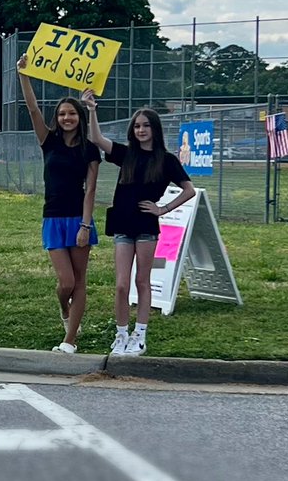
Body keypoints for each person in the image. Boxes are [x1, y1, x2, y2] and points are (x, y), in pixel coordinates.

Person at [82, 90, 195, 356]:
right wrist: (91, 110)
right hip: (123, 225)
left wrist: (163, 208)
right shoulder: (126, 154)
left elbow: (188, 190)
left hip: (146, 228)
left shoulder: (166, 160)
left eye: (146, 126)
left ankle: (140, 335)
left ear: (155, 129)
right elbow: (96, 138)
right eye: (137, 126)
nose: (141, 130)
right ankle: (121, 333)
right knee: (122, 283)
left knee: (142, 281)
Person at [17, 54, 100, 353]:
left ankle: (70, 339)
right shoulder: (48, 140)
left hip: (79, 219)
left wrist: (85, 225)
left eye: (72, 114)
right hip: (52, 218)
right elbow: (32, 108)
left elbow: (90, 189)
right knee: (65, 282)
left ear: (79, 117)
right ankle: (63, 308)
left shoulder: (90, 149)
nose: (67, 118)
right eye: (63, 114)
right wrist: (23, 75)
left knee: (79, 281)